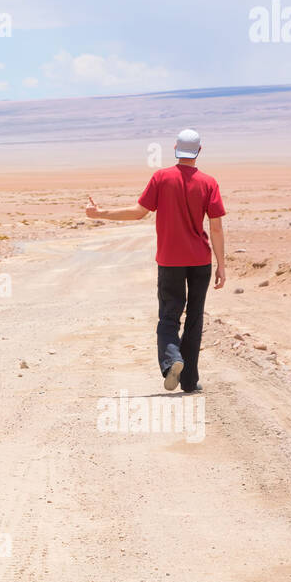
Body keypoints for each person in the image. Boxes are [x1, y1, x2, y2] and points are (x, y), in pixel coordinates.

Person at [84, 128, 226, 392]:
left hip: (170, 260)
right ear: (199, 151)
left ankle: (173, 359)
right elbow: (216, 228)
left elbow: (138, 213)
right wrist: (221, 265)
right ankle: (189, 380)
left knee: (169, 316)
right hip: (199, 261)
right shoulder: (209, 182)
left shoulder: (161, 178)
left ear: (175, 149)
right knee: (195, 317)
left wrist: (100, 213)